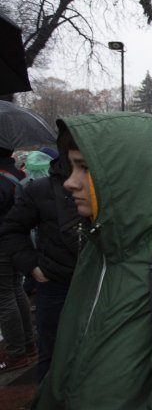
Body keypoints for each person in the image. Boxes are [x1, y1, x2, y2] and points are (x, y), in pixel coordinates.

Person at [34, 112, 152, 409]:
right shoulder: (99, 242)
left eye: (84, 168)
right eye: (70, 167)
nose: (69, 183)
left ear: (125, 173)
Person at [0, 156, 81, 381]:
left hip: (101, 283)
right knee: (52, 353)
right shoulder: (40, 189)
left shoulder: (112, 186)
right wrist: (32, 266)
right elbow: (13, 229)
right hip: (55, 284)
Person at [0, 147, 34, 374]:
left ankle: (16, 351)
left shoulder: (1, 178)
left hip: (2, 239)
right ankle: (27, 342)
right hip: (18, 240)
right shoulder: (18, 174)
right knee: (14, 287)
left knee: (3, 295)